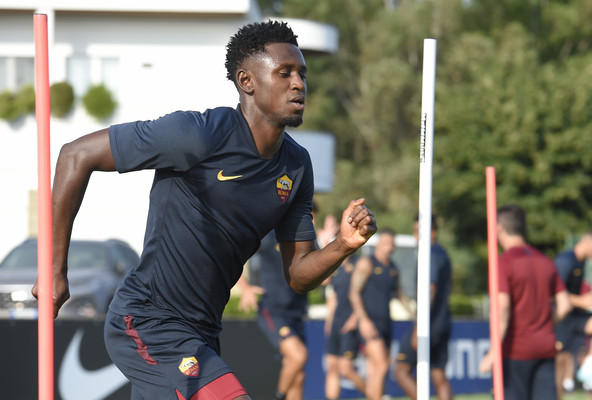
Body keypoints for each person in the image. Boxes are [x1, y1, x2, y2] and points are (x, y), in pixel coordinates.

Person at [32, 20, 377, 400]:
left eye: (301, 74)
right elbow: (74, 155)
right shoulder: (197, 134)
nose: (299, 84)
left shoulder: (296, 166)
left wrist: (344, 244)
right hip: (148, 320)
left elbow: (298, 275)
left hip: (204, 332)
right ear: (247, 82)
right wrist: (53, 269)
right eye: (285, 73)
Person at [479, 204, 571, 400]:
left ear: (499, 229)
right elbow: (564, 305)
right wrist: (544, 324)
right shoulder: (545, 260)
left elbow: (502, 308)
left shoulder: (503, 263)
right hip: (545, 347)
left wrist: (493, 351)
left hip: (515, 351)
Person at [237, 230, 308, 400]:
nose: (310, 222)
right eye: (308, 217)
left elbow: (324, 278)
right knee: (299, 356)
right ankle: (278, 396)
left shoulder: (308, 241)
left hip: (296, 314)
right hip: (274, 311)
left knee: (298, 378)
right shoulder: (270, 239)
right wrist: (245, 287)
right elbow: (232, 255)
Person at [395, 215, 452, 400]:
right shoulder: (441, 252)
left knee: (401, 370)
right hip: (442, 322)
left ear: (432, 232)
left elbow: (431, 288)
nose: (415, 236)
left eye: (419, 231)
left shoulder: (432, 253)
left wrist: (420, 324)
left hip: (430, 324)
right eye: (414, 231)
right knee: (438, 374)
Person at [347, 228, 406, 400]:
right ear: (379, 243)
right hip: (370, 321)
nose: (389, 247)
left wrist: (416, 316)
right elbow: (354, 292)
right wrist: (363, 320)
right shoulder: (367, 263)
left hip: (386, 322)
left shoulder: (393, 268)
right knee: (381, 367)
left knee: (375, 370)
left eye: (392, 244)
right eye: (386, 243)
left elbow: (400, 295)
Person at [554, 229, 592, 395]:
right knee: (558, 370)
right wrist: (581, 301)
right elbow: (554, 293)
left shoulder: (582, 262)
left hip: (574, 316)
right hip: (560, 320)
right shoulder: (565, 261)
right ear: (587, 242)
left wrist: (586, 302)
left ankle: (588, 370)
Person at [324, 255, 367, 399]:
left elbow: (363, 294)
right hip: (336, 322)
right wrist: (329, 320)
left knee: (346, 369)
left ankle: (375, 396)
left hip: (350, 323)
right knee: (332, 366)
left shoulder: (358, 264)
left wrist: (355, 317)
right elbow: (332, 293)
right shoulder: (335, 266)